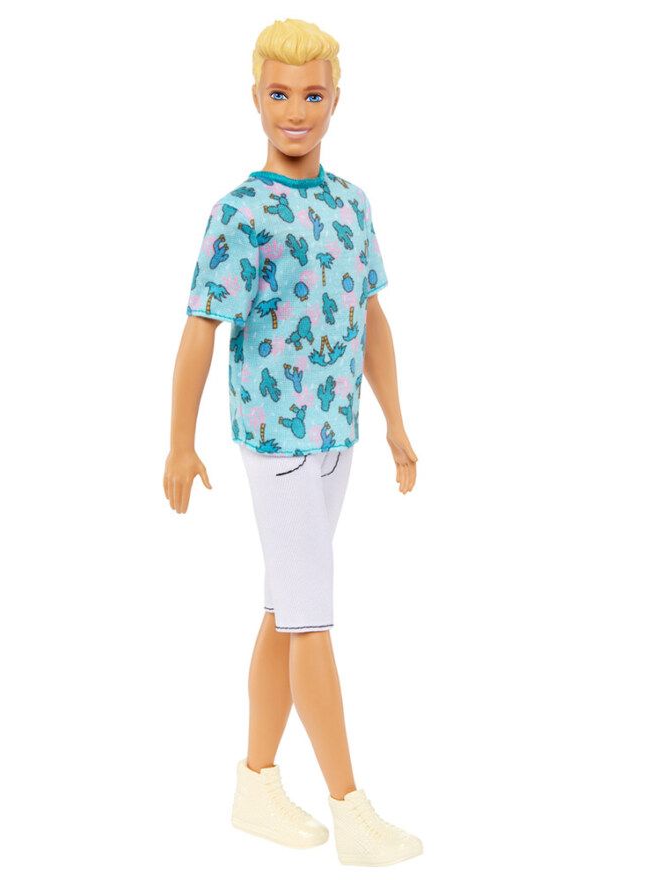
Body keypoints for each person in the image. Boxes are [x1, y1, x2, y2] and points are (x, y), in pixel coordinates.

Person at [162, 18, 422, 867]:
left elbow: (372, 317)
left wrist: (396, 423)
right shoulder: (240, 213)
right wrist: (179, 442)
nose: (296, 111)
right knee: (312, 620)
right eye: (280, 94)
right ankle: (351, 809)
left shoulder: (351, 204)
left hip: (339, 436)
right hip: (275, 443)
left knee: (285, 611)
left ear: (336, 100)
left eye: (312, 95)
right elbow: (200, 328)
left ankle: (255, 783)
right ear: (256, 99)